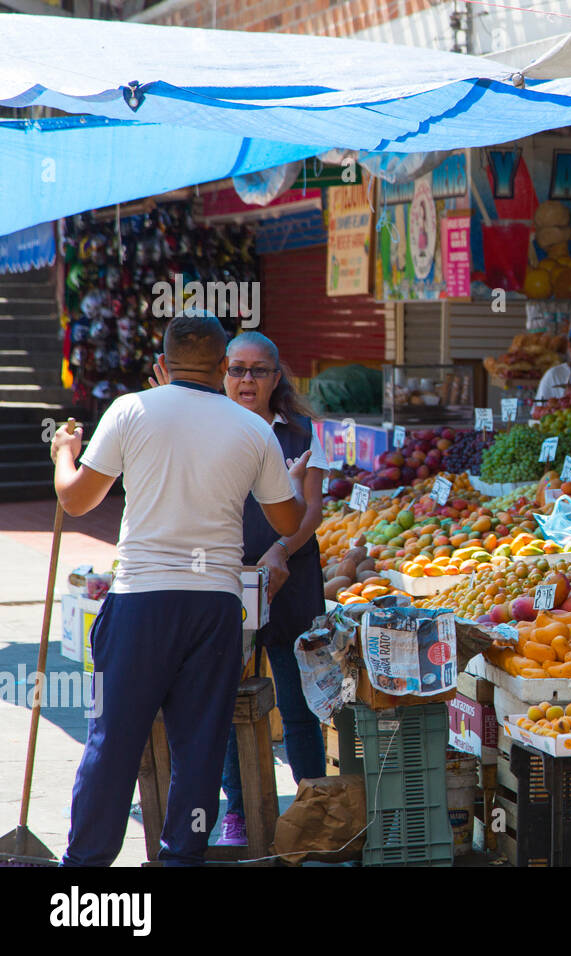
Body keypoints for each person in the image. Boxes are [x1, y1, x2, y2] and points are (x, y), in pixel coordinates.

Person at [52, 313, 306, 866]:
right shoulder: (253, 430)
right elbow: (290, 522)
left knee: (113, 742)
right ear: (221, 367)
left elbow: (75, 501)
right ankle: (183, 857)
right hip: (214, 607)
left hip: (140, 601)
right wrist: (293, 479)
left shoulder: (129, 410)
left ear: (162, 365)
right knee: (199, 746)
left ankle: (86, 866)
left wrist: (63, 455)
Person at [150, 331, 328, 847]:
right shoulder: (203, 421)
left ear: (277, 378)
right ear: (221, 373)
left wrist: (280, 550)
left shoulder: (299, 432)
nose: (246, 380)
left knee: (297, 704)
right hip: (223, 583)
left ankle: (314, 809)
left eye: (258, 371)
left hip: (290, 580)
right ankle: (238, 812)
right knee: (228, 701)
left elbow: (311, 510)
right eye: (237, 369)